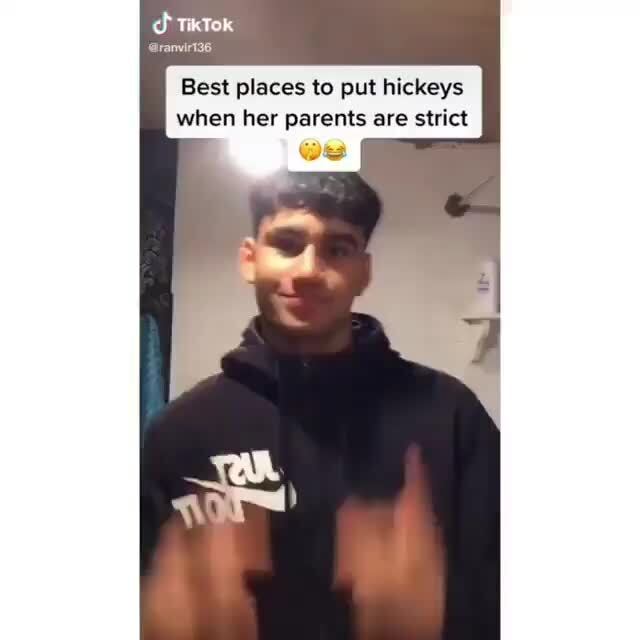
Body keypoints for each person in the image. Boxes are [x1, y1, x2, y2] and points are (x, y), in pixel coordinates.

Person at [141, 170, 499, 640]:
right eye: (287, 244)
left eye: (338, 249)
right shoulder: (181, 432)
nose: (309, 269)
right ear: (249, 259)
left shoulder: (451, 417)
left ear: (363, 272)